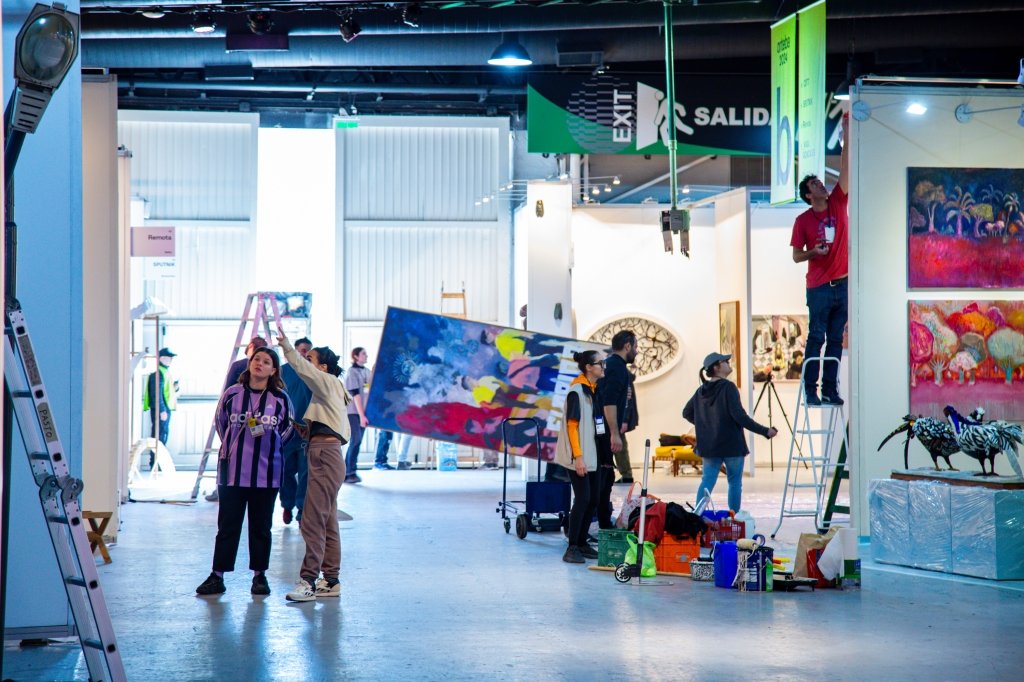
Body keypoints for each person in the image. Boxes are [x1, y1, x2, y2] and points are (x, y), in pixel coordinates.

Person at [195, 347, 293, 596]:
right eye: (256, 359)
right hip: (232, 473)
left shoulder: (280, 399)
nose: (259, 363)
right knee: (227, 526)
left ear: (274, 370)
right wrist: (235, 448)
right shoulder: (232, 394)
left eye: (266, 361)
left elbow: (287, 430)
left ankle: (259, 576)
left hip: (267, 473)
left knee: (261, 527)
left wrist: (267, 449)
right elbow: (221, 424)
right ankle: (217, 576)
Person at [278, 333, 352, 602]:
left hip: (325, 456)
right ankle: (330, 580)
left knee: (311, 519)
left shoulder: (327, 382)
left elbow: (301, 368)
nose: (305, 362)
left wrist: (287, 347)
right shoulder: (329, 390)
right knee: (327, 520)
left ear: (322, 367)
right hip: (326, 453)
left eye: (310, 359)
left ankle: (307, 581)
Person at [790, 109, 850, 406]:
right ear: (808, 195)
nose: (822, 185)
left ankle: (830, 389)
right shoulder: (802, 221)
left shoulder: (838, 201)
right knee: (817, 338)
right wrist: (814, 252)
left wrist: (847, 134)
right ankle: (810, 390)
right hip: (819, 287)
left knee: (837, 340)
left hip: (843, 284)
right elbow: (796, 257)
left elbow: (846, 169)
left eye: (820, 182)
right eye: (815, 184)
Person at [682, 352, 778, 513]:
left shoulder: (701, 391)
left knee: (707, 481)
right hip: (731, 445)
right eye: (725, 361)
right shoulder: (728, 387)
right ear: (717, 367)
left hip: (710, 446)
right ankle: (734, 518)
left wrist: (706, 425)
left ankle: (696, 517)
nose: (729, 363)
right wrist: (765, 431)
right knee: (734, 483)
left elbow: (686, 412)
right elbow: (740, 416)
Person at [554, 349, 607, 564]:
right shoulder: (577, 391)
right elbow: (572, 426)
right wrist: (578, 457)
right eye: (600, 363)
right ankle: (572, 546)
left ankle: (583, 543)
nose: (603, 367)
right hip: (580, 456)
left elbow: (597, 424)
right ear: (589, 367)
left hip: (593, 455)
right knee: (583, 498)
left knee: (593, 499)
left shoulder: (593, 391)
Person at [207, 336, 270, 502]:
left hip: (239, 419)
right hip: (255, 418)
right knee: (255, 453)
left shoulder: (240, 366)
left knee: (232, 454)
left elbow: (226, 394)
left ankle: (229, 488)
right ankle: (249, 488)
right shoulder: (261, 372)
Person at [598, 330, 639, 484]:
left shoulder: (609, 364)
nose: (637, 351)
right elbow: (609, 401)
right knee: (605, 473)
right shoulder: (617, 368)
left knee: (603, 468)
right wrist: (614, 433)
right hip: (605, 426)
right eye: (635, 347)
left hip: (600, 424)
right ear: (627, 346)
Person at [280, 337, 314, 525]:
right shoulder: (283, 371)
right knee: (285, 471)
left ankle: (302, 510)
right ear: (294, 350)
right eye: (302, 350)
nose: (305, 354)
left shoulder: (314, 372)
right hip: (286, 431)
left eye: (308, 351)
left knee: (305, 473)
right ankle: (287, 504)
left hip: (307, 431)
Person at [143, 348, 179, 467]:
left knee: (162, 435)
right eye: (169, 358)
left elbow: (167, 391)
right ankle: (155, 463)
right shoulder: (158, 374)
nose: (170, 360)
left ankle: (158, 462)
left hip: (165, 408)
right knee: (159, 436)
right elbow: (156, 394)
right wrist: (162, 410)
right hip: (161, 409)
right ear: (162, 358)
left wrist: (176, 387)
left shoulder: (165, 372)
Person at [343, 347, 372, 483]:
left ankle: (348, 471)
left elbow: (368, 389)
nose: (366, 356)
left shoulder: (366, 371)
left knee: (357, 441)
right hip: (353, 412)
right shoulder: (351, 372)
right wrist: (361, 416)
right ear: (355, 356)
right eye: (363, 354)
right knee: (356, 440)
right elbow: (356, 395)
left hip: (363, 412)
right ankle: (349, 472)